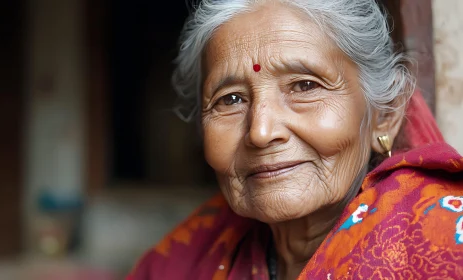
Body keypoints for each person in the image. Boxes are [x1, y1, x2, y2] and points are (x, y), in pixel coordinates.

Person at [127, 0, 463, 279]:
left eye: (305, 86)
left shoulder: (444, 246)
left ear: (385, 114)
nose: (261, 132)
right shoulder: (184, 258)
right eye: (230, 100)